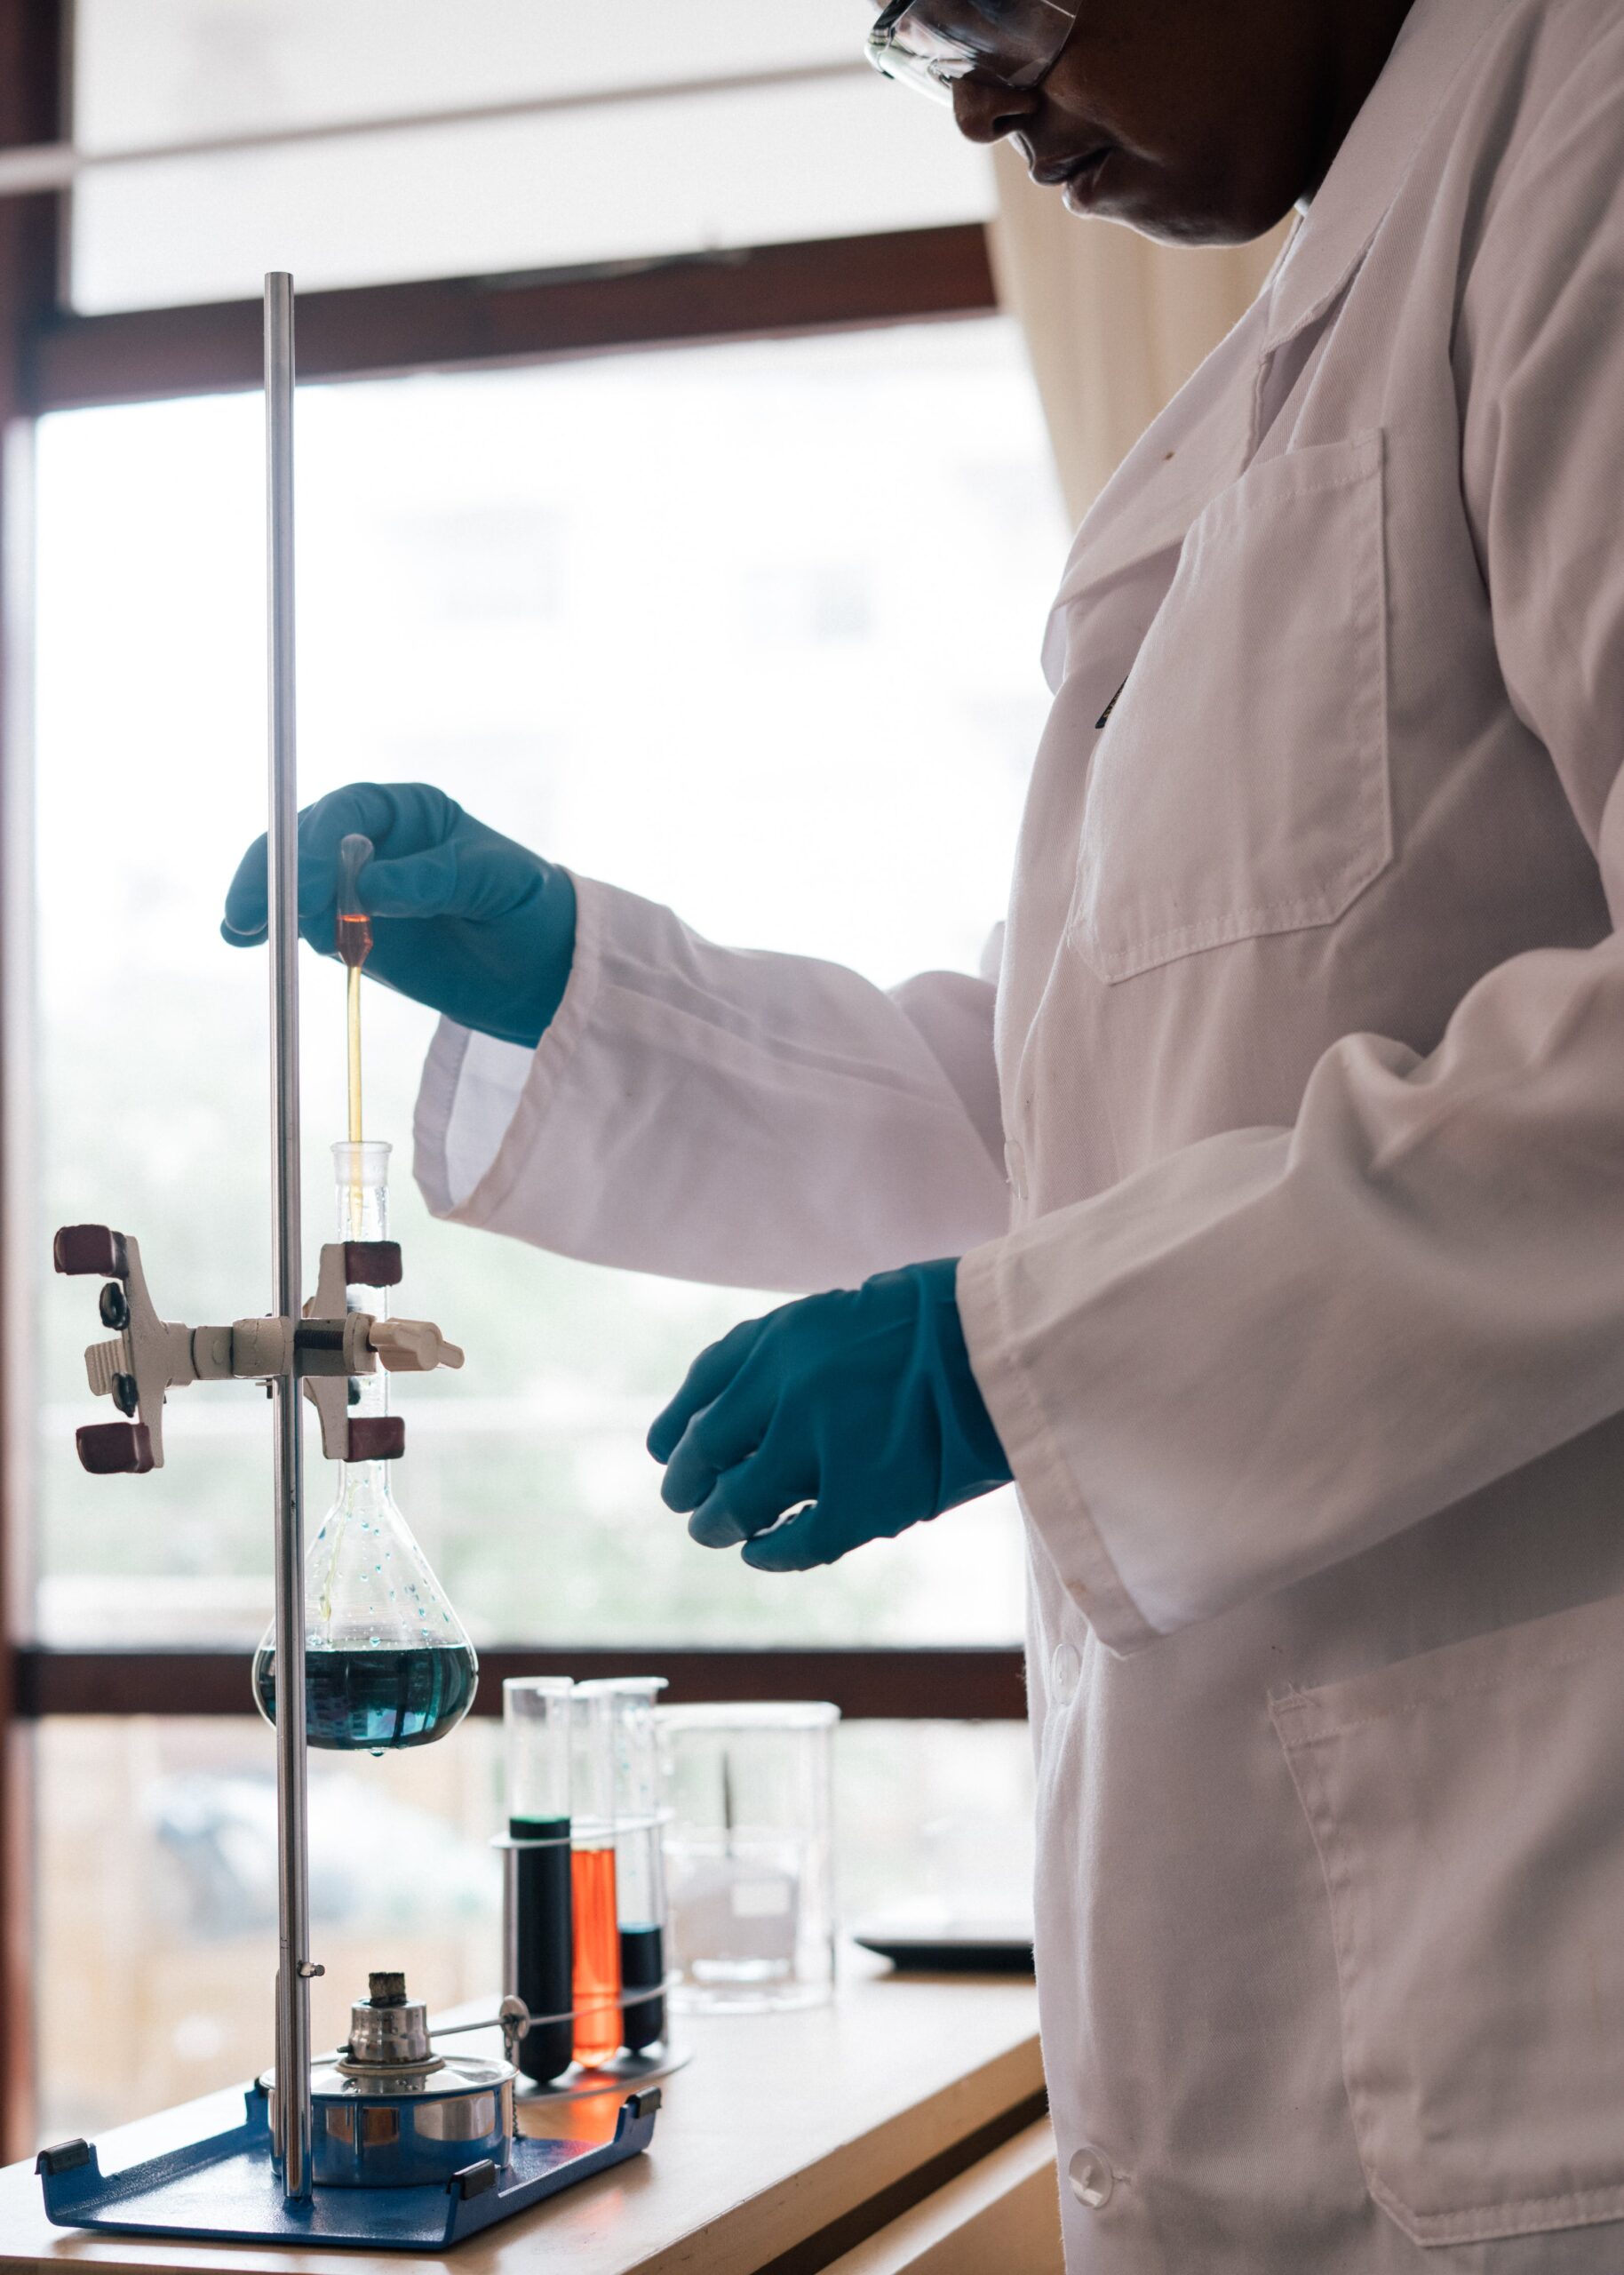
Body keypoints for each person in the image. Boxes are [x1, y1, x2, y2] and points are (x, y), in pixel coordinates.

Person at [225, 1, 1624, 2263]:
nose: (977, 98)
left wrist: (1023, 1360)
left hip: (1529, 2015)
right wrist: (587, 984)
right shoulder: (1312, 312)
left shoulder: (1580, 126)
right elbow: (1080, 1116)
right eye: (914, 40)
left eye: (992, 7)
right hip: (1284, 2019)